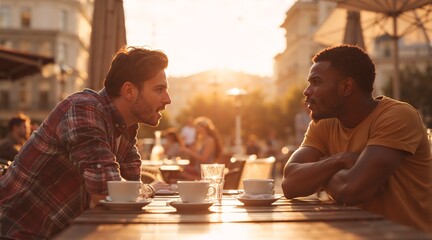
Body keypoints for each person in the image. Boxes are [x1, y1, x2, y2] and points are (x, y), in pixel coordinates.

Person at [0, 46, 172, 238]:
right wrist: (150, 189)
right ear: (129, 91)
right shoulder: (83, 108)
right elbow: (108, 192)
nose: (168, 99)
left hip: (65, 233)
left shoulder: (126, 128)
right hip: (16, 234)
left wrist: (142, 191)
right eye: (160, 89)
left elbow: (128, 198)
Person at [282, 45, 432, 233]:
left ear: (346, 87)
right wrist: (340, 160)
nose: (307, 91)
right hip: (352, 233)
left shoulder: (397, 116)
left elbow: (352, 190)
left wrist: (318, 171)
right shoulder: (325, 122)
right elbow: (290, 183)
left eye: (316, 82)